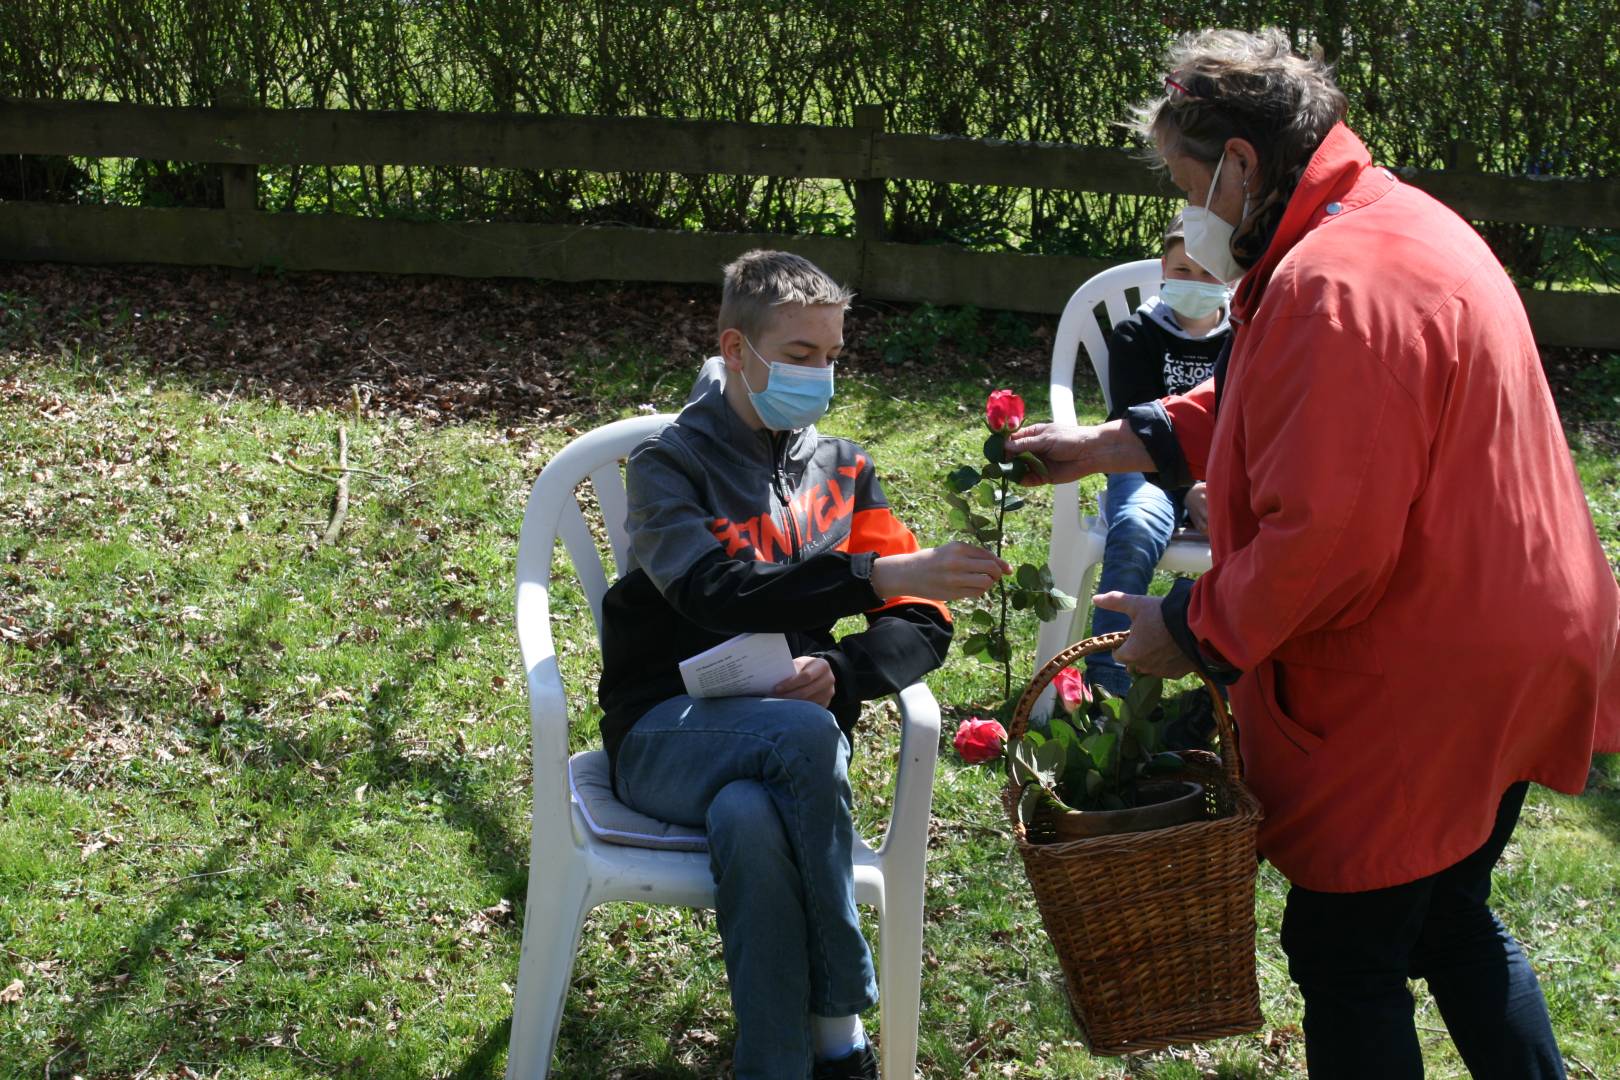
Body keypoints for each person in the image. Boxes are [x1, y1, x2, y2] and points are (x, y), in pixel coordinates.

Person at [1005, 28, 1619, 1080]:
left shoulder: (1333, 282)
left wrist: (1188, 628)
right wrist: (1118, 443)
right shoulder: (1382, 220)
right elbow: (1283, 399)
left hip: (1433, 662)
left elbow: (1326, 540)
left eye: (1185, 181)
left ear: (1241, 163)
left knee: (1345, 949)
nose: (1185, 209)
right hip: (1518, 629)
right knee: (1445, 917)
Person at [597, 249, 1009, 1080]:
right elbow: (713, 592)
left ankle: (780, 1064)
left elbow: (922, 621)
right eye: (799, 354)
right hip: (663, 734)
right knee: (806, 737)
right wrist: (869, 575)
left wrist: (843, 672)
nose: (820, 374)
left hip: (782, 757)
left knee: (750, 818)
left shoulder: (845, 469)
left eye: (831, 355)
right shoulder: (669, 467)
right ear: (737, 349)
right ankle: (843, 1019)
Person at [1086, 210, 1229, 702]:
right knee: (1136, 525)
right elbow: (1135, 428)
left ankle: (1225, 697)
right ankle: (1107, 679)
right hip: (1145, 469)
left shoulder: (1244, 339)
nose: (1195, 282)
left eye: (1208, 272)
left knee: (1257, 535)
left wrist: (1215, 487)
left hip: (1223, 474)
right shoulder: (1135, 334)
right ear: (1164, 269)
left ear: (1229, 277)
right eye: (1183, 269)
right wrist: (1187, 489)